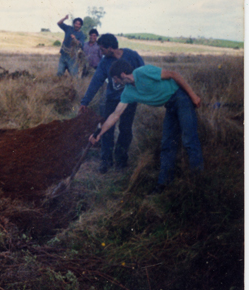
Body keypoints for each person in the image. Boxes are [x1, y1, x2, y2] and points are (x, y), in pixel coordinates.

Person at [90, 60, 204, 194]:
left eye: (115, 79)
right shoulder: (128, 92)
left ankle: (198, 182)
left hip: (181, 98)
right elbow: (115, 115)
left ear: (122, 74)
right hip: (170, 106)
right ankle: (163, 184)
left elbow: (174, 74)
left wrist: (193, 96)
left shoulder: (143, 72)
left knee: (189, 140)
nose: (115, 82)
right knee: (167, 144)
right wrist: (99, 133)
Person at [79, 33, 145, 173]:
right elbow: (96, 81)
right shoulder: (104, 62)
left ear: (110, 48)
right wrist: (85, 101)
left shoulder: (132, 56)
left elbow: (143, 73)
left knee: (125, 130)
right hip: (112, 99)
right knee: (107, 128)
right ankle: (105, 161)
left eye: (102, 49)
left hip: (130, 100)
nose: (101, 52)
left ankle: (121, 160)